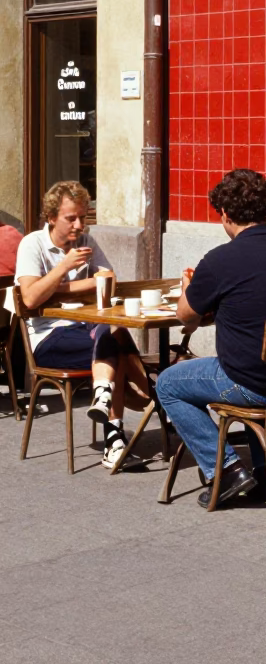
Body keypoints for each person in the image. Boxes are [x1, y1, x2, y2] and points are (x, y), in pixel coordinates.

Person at [156, 168, 266, 509]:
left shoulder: (221, 259)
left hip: (258, 386)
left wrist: (188, 289)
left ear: (224, 214)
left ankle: (228, 470)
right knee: (258, 364)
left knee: (168, 384)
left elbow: (185, 315)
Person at [15, 181, 149, 468]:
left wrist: (59, 287)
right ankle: (151, 397)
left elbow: (109, 279)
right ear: (51, 218)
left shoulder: (86, 242)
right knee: (115, 341)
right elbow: (29, 297)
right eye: (71, 218)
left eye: (83, 217)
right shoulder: (33, 244)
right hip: (49, 338)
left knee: (113, 329)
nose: (79, 225)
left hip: (88, 330)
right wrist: (64, 269)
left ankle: (106, 404)